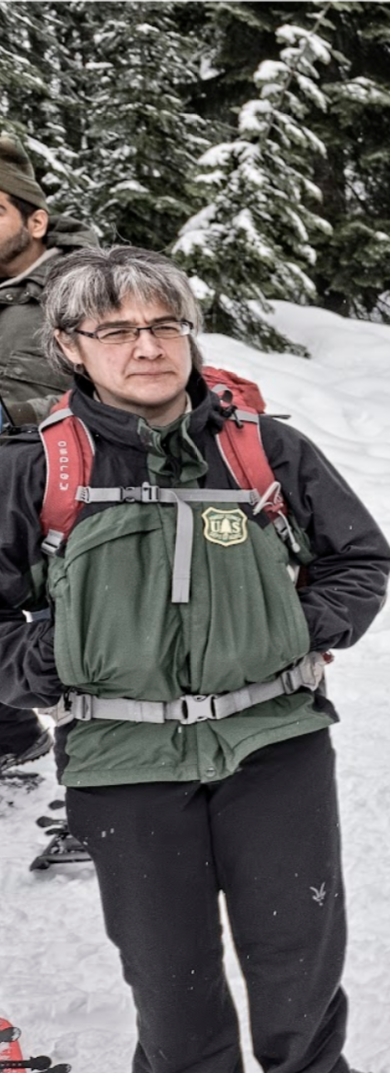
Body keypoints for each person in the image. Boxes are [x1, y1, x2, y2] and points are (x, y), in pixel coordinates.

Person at [0, 248, 390, 1073]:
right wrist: (44, 660)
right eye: (118, 329)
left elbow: (358, 558)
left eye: (164, 324)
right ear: (71, 349)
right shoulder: (32, 473)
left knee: (291, 935)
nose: (147, 345)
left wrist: (299, 629)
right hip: (120, 758)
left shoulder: (262, 448)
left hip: (273, 737)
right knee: (162, 954)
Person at [0, 136, 97, 773]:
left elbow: (143, 391)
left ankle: (101, 783)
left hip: (74, 490)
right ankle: (12, 738)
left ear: (36, 220)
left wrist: (14, 418)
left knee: (87, 633)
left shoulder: (90, 288)